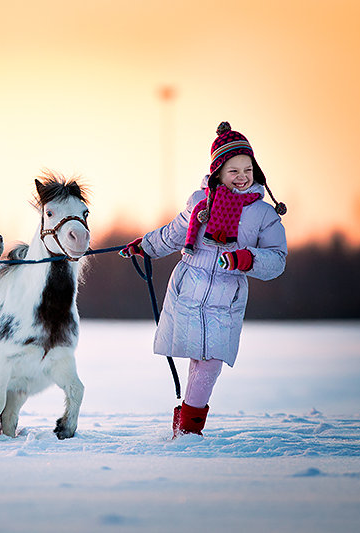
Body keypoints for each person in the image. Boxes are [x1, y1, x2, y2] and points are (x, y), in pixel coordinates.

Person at [120, 121, 287, 438]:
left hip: (226, 299)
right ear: (217, 174)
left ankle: (187, 431)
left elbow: (277, 260)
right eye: (233, 170)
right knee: (199, 358)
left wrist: (247, 258)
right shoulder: (201, 203)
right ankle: (184, 429)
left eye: (247, 170)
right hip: (188, 292)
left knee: (210, 363)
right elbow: (173, 234)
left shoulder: (264, 214)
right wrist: (144, 246)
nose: (241, 177)